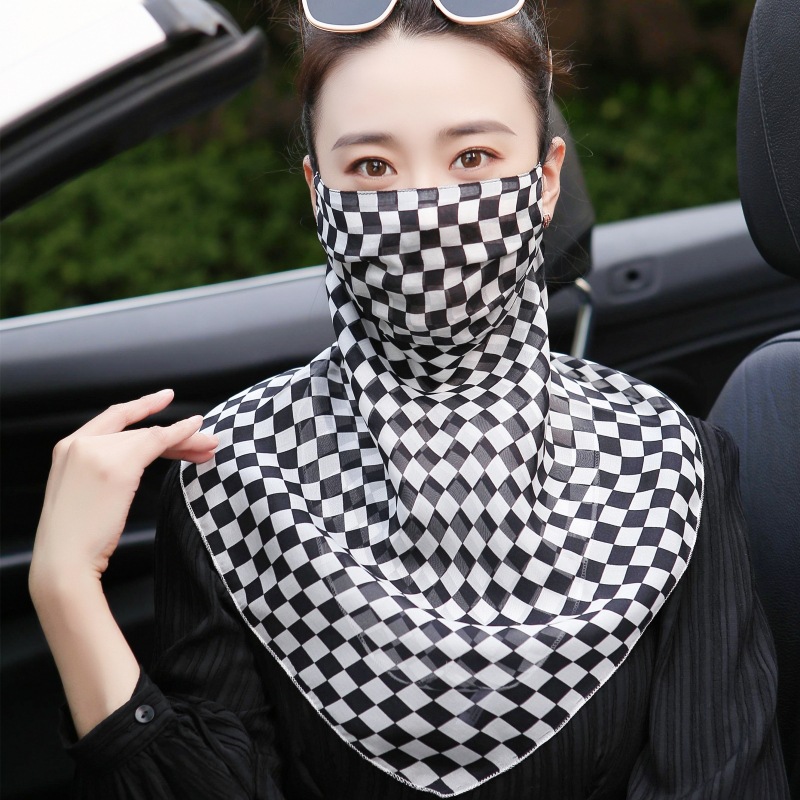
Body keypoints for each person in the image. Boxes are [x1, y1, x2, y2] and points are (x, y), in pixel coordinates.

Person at [29, 1, 790, 797]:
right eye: (372, 168)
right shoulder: (231, 476)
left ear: (546, 180)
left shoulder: (667, 462)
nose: (425, 210)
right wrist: (65, 587)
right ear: (318, 192)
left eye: (473, 157)